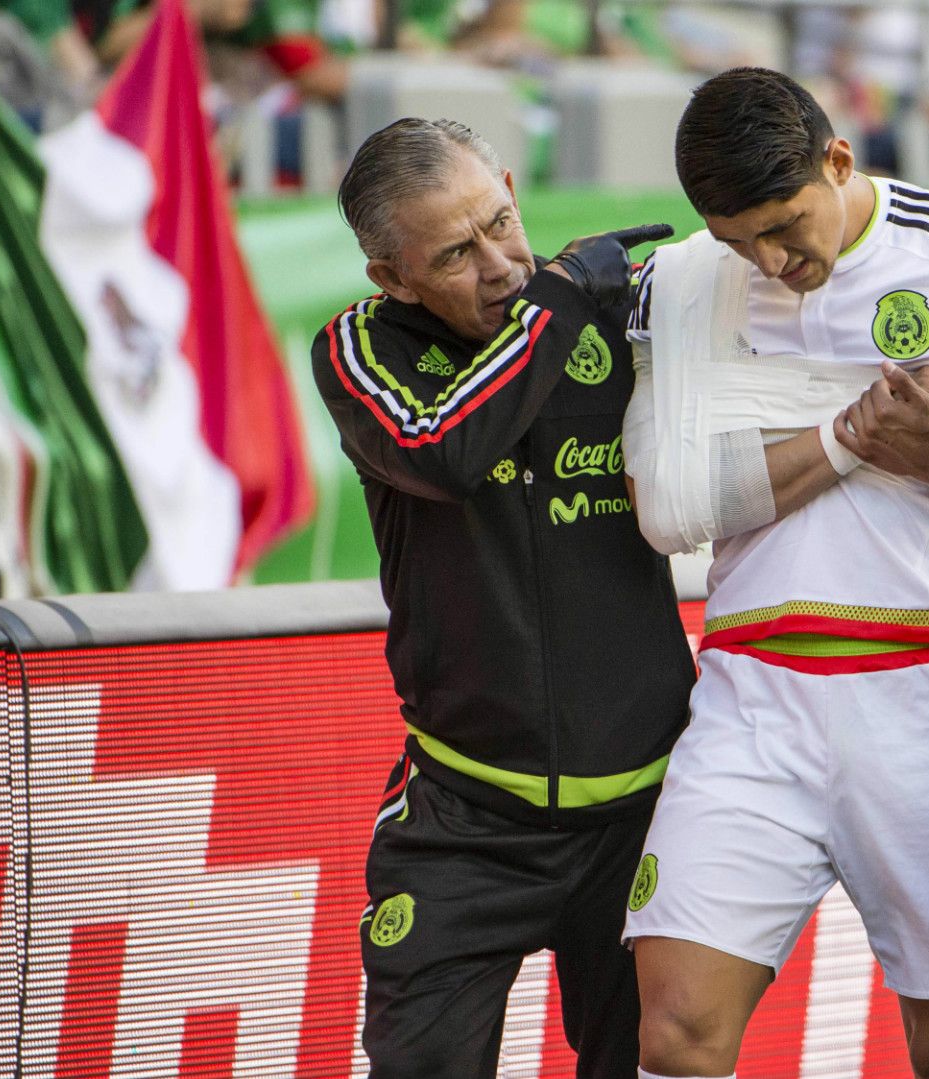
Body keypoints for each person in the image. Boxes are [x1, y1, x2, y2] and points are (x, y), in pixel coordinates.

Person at [619, 67, 929, 1079]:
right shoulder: (682, 281)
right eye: (737, 239)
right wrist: (856, 429)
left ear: (838, 160)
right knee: (675, 1036)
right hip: (753, 697)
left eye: (783, 224)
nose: (769, 257)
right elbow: (667, 509)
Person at [310, 117, 692, 1078]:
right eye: (454, 254)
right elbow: (443, 450)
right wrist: (557, 304)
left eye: (501, 222)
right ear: (390, 278)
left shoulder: (608, 312)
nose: (500, 266)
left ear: (515, 188)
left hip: (648, 817)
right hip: (464, 828)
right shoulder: (362, 347)